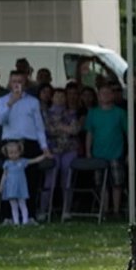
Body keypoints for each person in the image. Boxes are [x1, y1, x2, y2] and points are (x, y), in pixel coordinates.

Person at [0, 71, 49, 212]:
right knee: (8, 180)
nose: (17, 84)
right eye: (14, 81)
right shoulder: (1, 101)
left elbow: (39, 126)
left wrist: (44, 146)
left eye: (20, 81)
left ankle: (29, 215)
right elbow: (0, 120)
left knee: (30, 179)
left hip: (29, 142)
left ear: (25, 83)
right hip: (9, 143)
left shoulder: (33, 102)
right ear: (9, 83)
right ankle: (7, 215)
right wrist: (11, 103)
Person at [84, 83, 129, 216]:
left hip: (116, 152)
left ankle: (115, 210)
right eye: (102, 93)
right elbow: (89, 133)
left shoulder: (120, 113)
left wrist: (128, 153)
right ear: (98, 96)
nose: (106, 96)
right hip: (98, 153)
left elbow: (128, 133)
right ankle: (104, 209)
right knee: (101, 184)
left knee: (117, 182)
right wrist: (88, 151)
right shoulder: (92, 113)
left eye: (108, 93)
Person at [43, 87, 82, 219]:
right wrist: (66, 128)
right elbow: (48, 130)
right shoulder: (46, 114)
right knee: (50, 179)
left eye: (62, 96)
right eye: (57, 96)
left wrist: (59, 127)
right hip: (52, 151)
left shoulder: (71, 113)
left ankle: (66, 210)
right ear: (52, 98)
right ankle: (44, 210)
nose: (59, 98)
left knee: (67, 180)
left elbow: (75, 130)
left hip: (69, 150)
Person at [0, 139, 52, 225]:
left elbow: (34, 160)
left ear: (20, 152)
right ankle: (16, 222)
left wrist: (44, 156)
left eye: (15, 152)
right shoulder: (7, 164)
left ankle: (25, 221)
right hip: (11, 187)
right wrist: (1, 185)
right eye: (11, 153)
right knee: (13, 204)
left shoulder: (23, 161)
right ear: (7, 154)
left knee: (22, 203)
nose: (13, 155)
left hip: (20, 187)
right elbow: (4, 175)